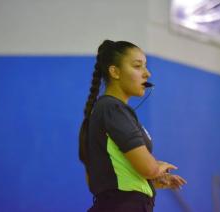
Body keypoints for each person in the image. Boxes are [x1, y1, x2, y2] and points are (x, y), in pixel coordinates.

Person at [79, 40, 187, 212]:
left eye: (145, 66)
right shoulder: (112, 108)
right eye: (138, 66)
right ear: (114, 72)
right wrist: (157, 168)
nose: (147, 74)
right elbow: (148, 168)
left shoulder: (107, 109)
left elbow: (107, 174)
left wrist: (150, 181)